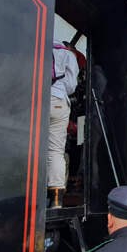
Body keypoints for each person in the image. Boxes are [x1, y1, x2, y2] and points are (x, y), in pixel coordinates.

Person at [48, 41, 80, 208]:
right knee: (55, 151)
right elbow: (71, 85)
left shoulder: (42, 48)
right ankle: (56, 199)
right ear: (69, 47)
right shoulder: (68, 55)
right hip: (58, 100)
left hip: (36, 98)